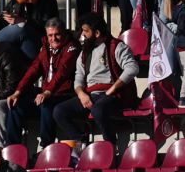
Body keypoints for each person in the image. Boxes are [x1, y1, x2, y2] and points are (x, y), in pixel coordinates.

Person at [52, 13, 139, 145]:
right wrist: (81, 94)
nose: (83, 34)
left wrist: (112, 90)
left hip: (114, 95)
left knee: (98, 110)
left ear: (97, 33)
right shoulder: (84, 53)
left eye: (86, 31)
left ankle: (110, 144)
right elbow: (78, 78)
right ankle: (81, 141)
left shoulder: (116, 46)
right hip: (90, 96)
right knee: (59, 111)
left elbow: (132, 68)